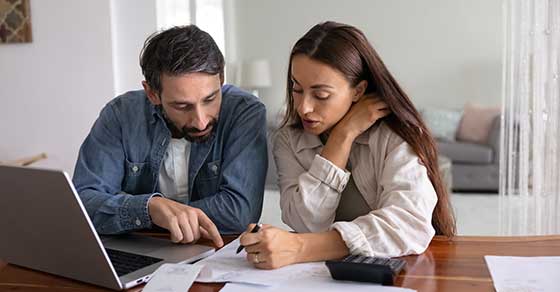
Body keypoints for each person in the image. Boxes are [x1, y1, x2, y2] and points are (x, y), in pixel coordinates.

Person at [239, 21, 456, 269]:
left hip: (397, 274)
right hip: (320, 277)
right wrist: (342, 136)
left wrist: (301, 247)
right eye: (296, 89)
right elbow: (305, 223)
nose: (303, 108)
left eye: (321, 95)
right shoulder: (288, 140)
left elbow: (409, 223)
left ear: (358, 91)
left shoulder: (394, 136)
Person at [73, 25, 268, 247]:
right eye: (182, 106)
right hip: (141, 250)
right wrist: (150, 208)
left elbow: (239, 212)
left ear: (221, 79)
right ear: (152, 94)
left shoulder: (245, 112)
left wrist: (145, 215)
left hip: (216, 253)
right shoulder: (120, 115)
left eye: (210, 99)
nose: (201, 120)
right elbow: (82, 202)